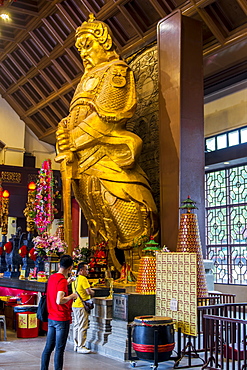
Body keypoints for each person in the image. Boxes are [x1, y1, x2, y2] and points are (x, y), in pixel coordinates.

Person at [55, 14, 158, 274]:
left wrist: (73, 138)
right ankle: (118, 272)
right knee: (102, 222)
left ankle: (141, 276)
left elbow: (107, 117)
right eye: (79, 49)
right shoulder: (82, 83)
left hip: (108, 158)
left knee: (126, 212)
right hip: (84, 164)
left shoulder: (116, 71)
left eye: (88, 45)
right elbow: (72, 117)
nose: (84, 53)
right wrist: (62, 133)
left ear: (105, 42)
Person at [41, 254, 78, 370]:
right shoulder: (61, 281)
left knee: (48, 347)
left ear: (58, 265)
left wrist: (66, 282)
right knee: (59, 349)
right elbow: (59, 300)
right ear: (70, 268)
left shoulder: (53, 277)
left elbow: (55, 289)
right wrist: (72, 296)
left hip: (51, 317)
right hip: (61, 318)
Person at [72, 262, 94, 354]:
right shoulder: (83, 279)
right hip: (82, 305)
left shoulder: (74, 278)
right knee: (82, 326)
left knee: (76, 325)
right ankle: (81, 346)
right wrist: (93, 292)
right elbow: (88, 292)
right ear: (81, 270)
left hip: (75, 304)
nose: (88, 271)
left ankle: (76, 344)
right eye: (86, 269)